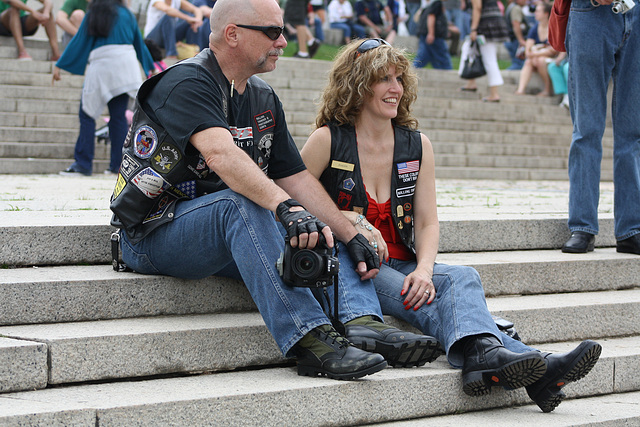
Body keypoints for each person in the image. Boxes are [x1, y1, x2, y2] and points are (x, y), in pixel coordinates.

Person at [110, 0, 443, 381]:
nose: (283, 41)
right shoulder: (187, 81)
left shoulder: (262, 96)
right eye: (272, 32)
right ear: (232, 34)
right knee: (244, 205)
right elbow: (221, 155)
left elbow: (297, 178)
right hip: (152, 232)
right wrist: (286, 208)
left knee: (325, 224)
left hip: (222, 233)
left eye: (282, 31)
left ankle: (365, 325)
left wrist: (349, 234)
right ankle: (313, 342)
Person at [301, 38, 602, 411]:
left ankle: (501, 363)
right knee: (435, 306)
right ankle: (535, 365)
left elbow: (427, 221)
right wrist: (349, 216)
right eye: (384, 79)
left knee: (462, 277)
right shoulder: (327, 140)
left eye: (399, 78)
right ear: (358, 85)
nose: (396, 89)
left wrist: (426, 269)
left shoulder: (416, 144)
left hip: (407, 262)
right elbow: (295, 202)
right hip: (360, 268)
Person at [561, 0, 640, 255]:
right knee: (586, 129)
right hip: (591, 12)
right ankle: (582, 226)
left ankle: (631, 229)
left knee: (634, 133)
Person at [53, 0, 154, 176]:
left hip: (102, 65)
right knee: (118, 116)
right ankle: (117, 166)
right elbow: (138, 42)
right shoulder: (126, 13)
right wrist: (148, 66)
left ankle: (83, 164)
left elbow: (80, 40)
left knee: (87, 113)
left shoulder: (95, 13)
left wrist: (60, 64)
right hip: (125, 66)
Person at [459, 0, 509, 102]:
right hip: (489, 23)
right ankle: (471, 82)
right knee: (467, 48)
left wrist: (473, 29)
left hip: (485, 26)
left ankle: (494, 93)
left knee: (489, 58)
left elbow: (477, 8)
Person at [514, 2, 557, 96]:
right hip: (537, 57)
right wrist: (532, 54)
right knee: (529, 62)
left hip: (549, 58)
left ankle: (547, 89)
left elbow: (554, 50)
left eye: (538, 11)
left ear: (546, 14)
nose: (535, 13)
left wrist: (535, 54)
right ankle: (521, 89)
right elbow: (528, 48)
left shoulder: (553, 27)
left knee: (540, 60)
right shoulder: (535, 28)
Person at [413, 0, 453, 69]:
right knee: (443, 59)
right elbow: (431, 16)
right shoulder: (436, 3)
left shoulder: (428, 4)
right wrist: (431, 33)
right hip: (434, 36)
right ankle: (451, 76)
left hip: (425, 34)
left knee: (424, 57)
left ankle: (412, 70)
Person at [503, 0, 529, 70]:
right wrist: (521, 40)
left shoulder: (510, 7)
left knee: (517, 63)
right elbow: (516, 24)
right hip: (515, 40)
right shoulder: (516, 8)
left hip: (510, 39)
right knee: (519, 65)